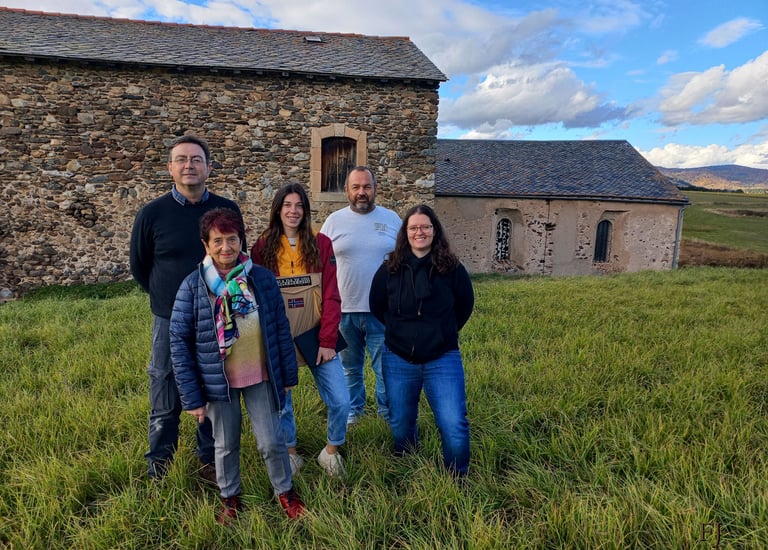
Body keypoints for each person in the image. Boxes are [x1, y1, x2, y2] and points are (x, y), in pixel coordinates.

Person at [169, 207, 305, 523]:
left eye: (232, 239)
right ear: (205, 244)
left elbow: (279, 327)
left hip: (260, 375)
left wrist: (286, 374)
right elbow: (179, 342)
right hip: (218, 383)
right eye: (218, 241)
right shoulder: (193, 286)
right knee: (226, 445)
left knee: (272, 442)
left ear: (241, 240)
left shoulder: (262, 279)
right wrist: (193, 398)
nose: (226, 248)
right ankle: (230, 499)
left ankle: (284, 492)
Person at [130, 134, 244, 482]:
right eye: (181, 159)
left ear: (208, 167)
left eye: (196, 159)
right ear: (170, 168)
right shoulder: (152, 214)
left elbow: (237, 258)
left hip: (217, 318)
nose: (189, 165)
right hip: (168, 320)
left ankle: (209, 461)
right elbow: (140, 265)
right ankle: (159, 467)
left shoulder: (227, 211)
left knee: (213, 389)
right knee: (164, 390)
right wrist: (172, 302)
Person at [251, 183, 350, 477]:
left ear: (306, 211)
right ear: (278, 210)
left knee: (341, 400)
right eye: (287, 205)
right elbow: (258, 297)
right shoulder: (262, 247)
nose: (293, 211)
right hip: (280, 339)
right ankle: (290, 452)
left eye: (299, 206)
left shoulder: (321, 244)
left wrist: (328, 339)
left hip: (317, 336)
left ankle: (331, 451)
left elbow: (332, 294)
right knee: (283, 403)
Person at [369, 204, 475, 476]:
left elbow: (465, 306)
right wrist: (400, 333)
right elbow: (376, 305)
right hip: (398, 358)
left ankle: (457, 476)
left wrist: (442, 333)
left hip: (443, 358)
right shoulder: (389, 269)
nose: (420, 232)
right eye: (413, 227)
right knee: (401, 422)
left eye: (425, 227)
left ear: (435, 230)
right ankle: (408, 466)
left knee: (453, 422)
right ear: (406, 232)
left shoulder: (452, 269)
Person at [320, 167, 401, 425]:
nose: (362, 192)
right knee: (350, 369)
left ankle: (387, 415)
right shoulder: (333, 221)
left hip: (382, 311)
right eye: (356, 187)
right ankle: (355, 413)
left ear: (375, 188)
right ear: (347, 191)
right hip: (344, 311)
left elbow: (406, 259)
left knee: (384, 370)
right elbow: (319, 261)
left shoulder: (392, 219)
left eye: (367, 186)